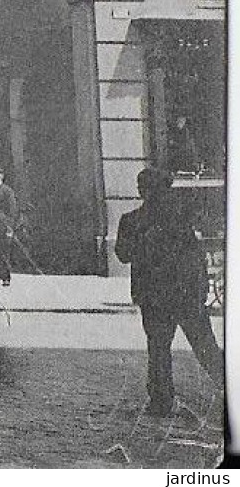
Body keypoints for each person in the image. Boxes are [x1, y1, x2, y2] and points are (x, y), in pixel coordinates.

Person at [115, 167, 225, 417]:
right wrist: (201, 289)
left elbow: (123, 255)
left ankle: (161, 401)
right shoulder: (177, 220)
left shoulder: (132, 220)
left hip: (157, 297)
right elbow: (196, 258)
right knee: (203, 346)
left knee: (159, 349)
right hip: (182, 295)